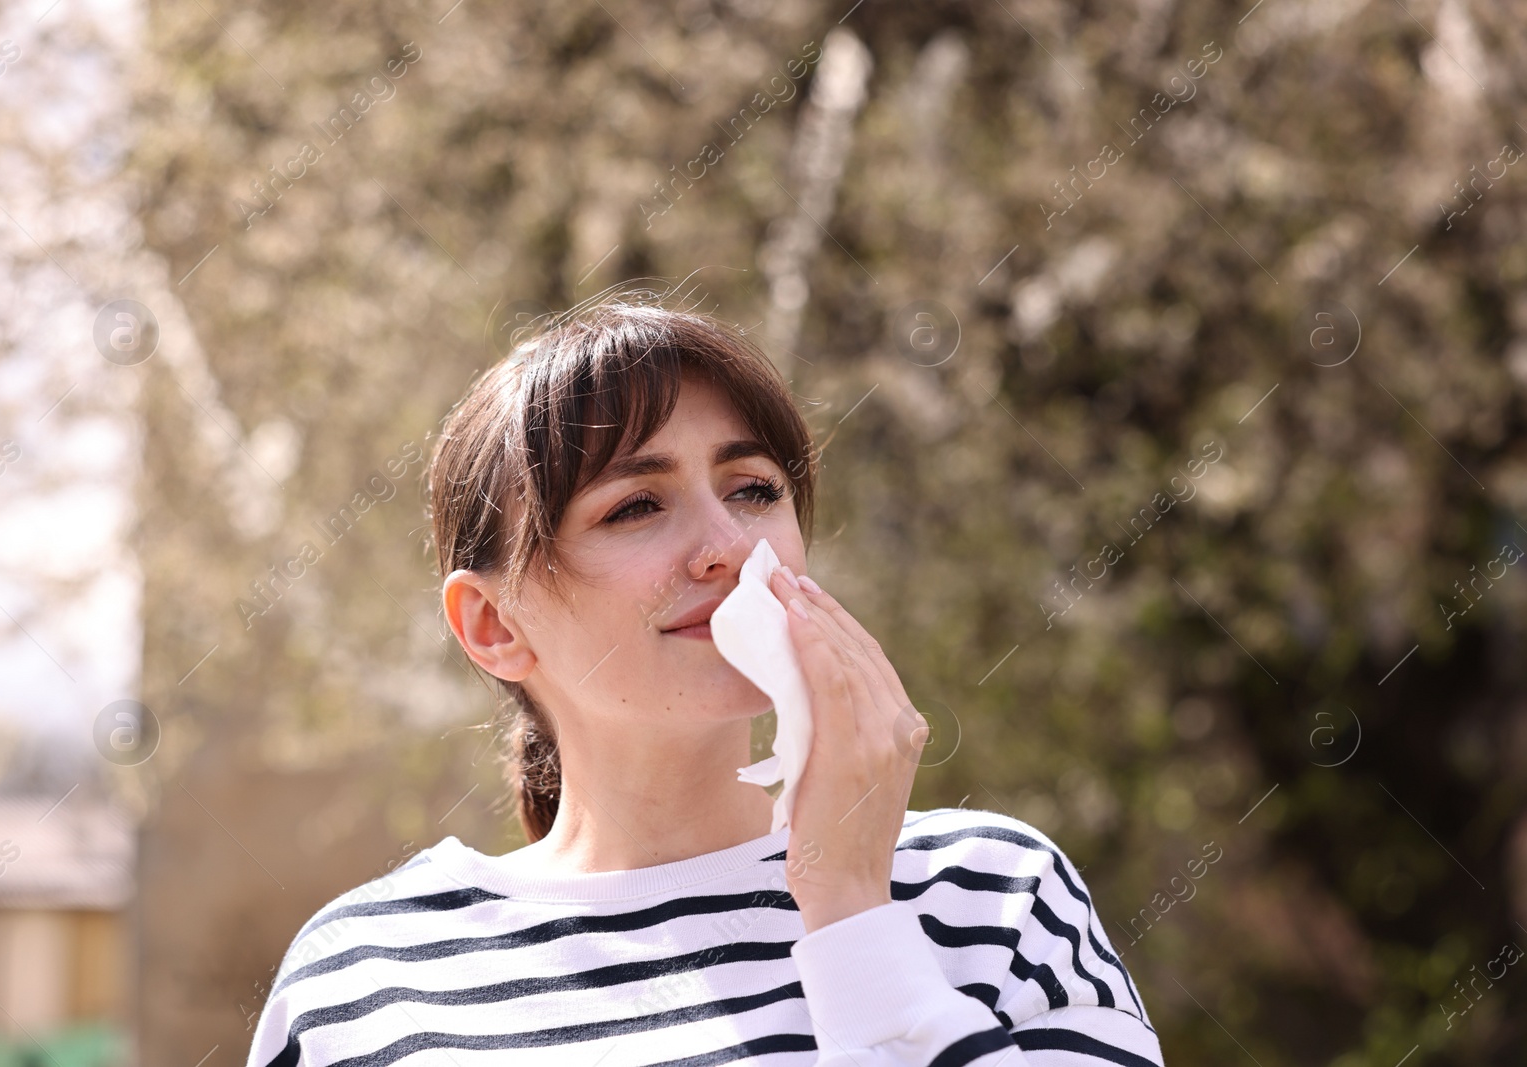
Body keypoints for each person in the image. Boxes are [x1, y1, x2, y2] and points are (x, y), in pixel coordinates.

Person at [244, 295, 1164, 1066]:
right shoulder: (362, 979)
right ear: (493, 624)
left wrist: (846, 902)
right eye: (636, 505)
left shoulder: (993, 895)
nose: (729, 546)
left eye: (755, 490)